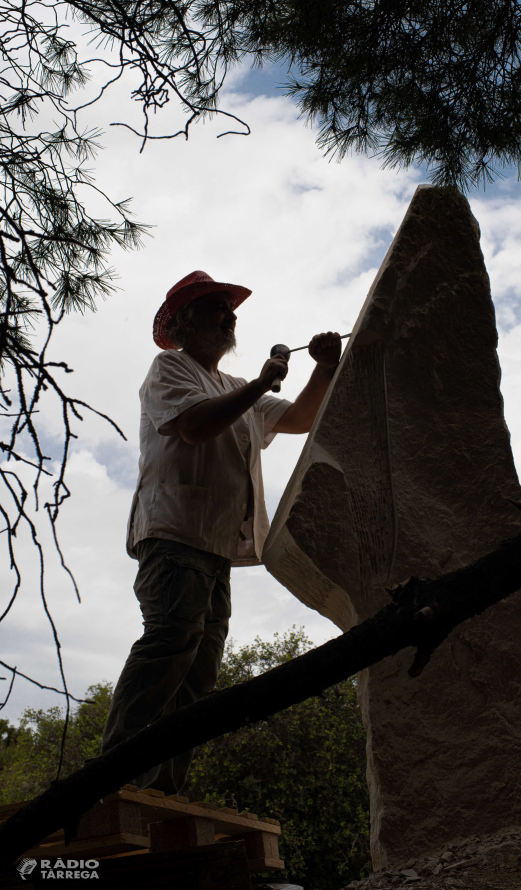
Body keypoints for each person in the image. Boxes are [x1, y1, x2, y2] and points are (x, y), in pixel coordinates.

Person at [101, 270, 342, 793]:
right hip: (174, 534)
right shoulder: (170, 368)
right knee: (170, 642)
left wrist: (323, 370)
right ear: (186, 323)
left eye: (230, 310)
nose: (230, 316)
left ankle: (162, 794)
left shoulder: (236, 389)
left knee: (198, 673)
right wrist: (261, 381)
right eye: (216, 308)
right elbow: (193, 426)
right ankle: (109, 783)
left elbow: (299, 418)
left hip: (214, 547)